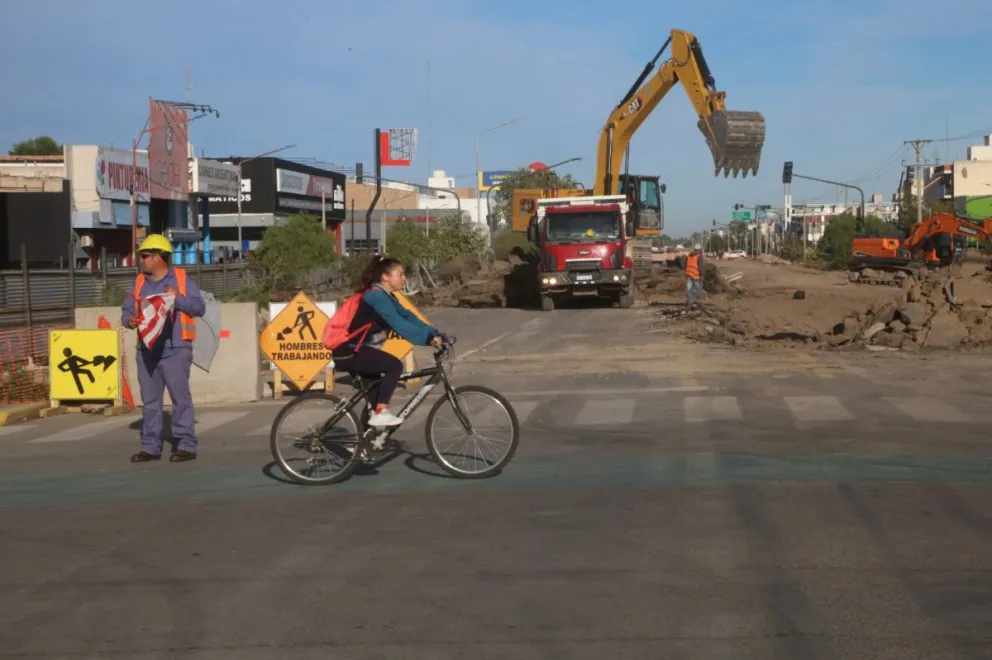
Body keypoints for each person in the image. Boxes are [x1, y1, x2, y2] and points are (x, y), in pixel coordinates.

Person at [120, 234, 206, 463]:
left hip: (176, 348)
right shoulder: (139, 282)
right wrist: (129, 320)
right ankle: (150, 447)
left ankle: (185, 445)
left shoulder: (180, 278)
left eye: (145, 255)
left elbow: (199, 307)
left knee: (180, 399)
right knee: (150, 401)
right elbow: (127, 310)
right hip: (147, 350)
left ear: (159, 257)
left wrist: (177, 299)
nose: (141, 259)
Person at [332, 255, 445, 429]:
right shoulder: (375, 297)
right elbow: (398, 324)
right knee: (394, 366)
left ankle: (364, 447)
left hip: (359, 350)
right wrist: (428, 339)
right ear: (385, 277)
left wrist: (434, 332)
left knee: (375, 399)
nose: (404, 279)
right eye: (400, 274)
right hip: (349, 350)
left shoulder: (387, 297)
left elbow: (408, 316)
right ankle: (381, 412)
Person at [684, 243, 704, 308]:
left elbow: (685, 265)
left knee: (689, 288)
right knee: (699, 287)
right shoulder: (699, 256)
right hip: (695, 275)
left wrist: (686, 272)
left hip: (688, 274)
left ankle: (690, 302)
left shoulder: (689, 256)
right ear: (699, 250)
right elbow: (701, 266)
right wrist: (702, 275)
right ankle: (697, 301)